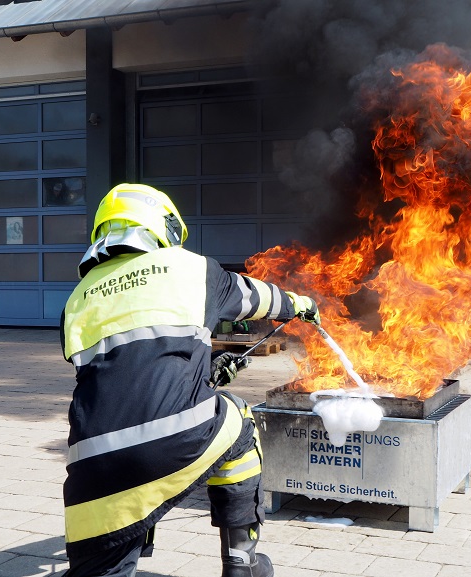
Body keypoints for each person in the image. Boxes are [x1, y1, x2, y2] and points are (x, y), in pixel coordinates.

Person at [59, 183, 320, 577]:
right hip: (174, 440)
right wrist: (300, 304)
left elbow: (124, 374)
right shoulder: (192, 269)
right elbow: (258, 299)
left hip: (91, 467)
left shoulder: (77, 299)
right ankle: (242, 564)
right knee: (240, 422)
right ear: (162, 226)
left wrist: (203, 372)